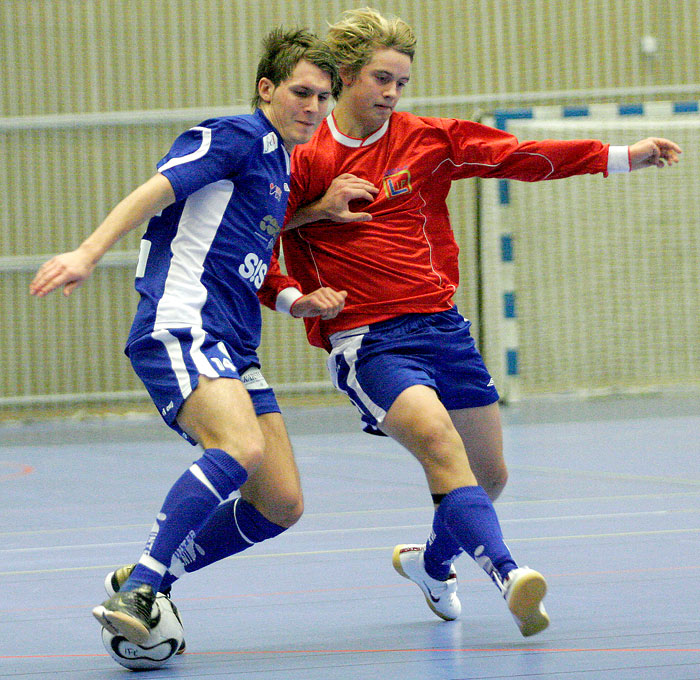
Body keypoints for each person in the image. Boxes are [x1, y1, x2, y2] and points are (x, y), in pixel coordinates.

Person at [256, 7, 682, 637]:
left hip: (443, 329)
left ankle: (432, 567)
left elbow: (521, 154)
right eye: (381, 79)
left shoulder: (428, 139)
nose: (393, 94)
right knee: (438, 445)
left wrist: (621, 156)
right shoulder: (300, 157)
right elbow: (252, 239)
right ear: (345, 76)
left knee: (489, 475)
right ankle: (511, 576)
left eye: (402, 82)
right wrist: (304, 266)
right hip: (369, 338)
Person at [29, 27, 342, 647]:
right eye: (302, 92)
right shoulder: (234, 136)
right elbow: (155, 192)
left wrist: (308, 241)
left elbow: (239, 244)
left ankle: (155, 572)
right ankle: (141, 586)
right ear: (267, 89)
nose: (314, 107)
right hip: (183, 322)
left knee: (280, 503)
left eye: (325, 98)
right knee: (237, 447)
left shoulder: (280, 163)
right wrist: (89, 252)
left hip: (236, 342)